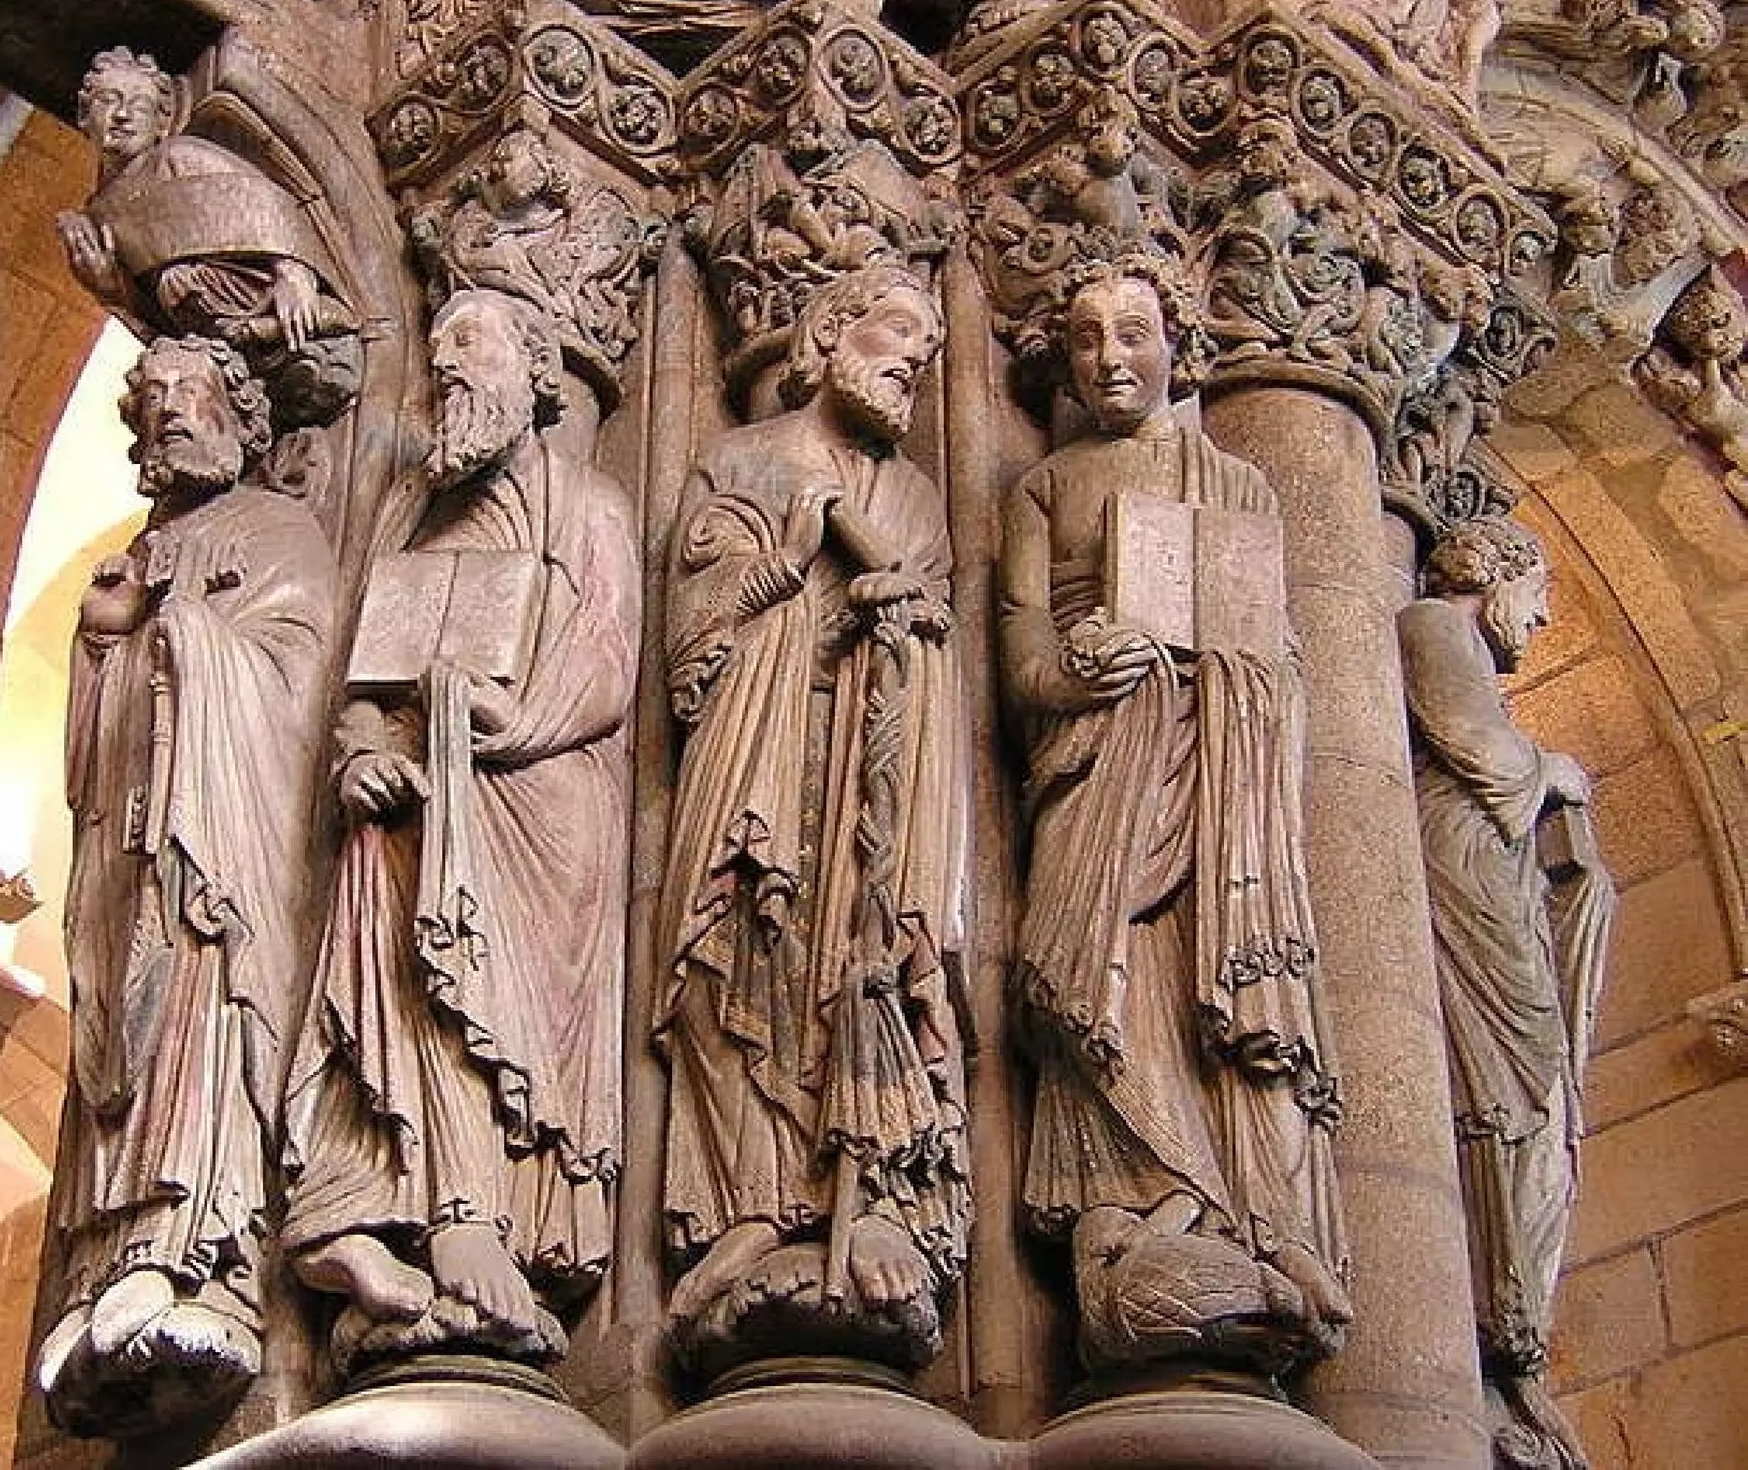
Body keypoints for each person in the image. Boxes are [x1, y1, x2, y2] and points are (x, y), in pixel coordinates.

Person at [998, 253, 1351, 1376]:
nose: (1110, 359)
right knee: (1093, 967)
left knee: (1224, 971)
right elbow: (1020, 649)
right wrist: (1074, 670)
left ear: (1175, 346)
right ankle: (1135, 1212)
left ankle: (1253, 1221)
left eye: (1133, 334)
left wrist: (1229, 684)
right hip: (1095, 761)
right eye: (1086, 338)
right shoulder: (1043, 487)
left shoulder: (1236, 481)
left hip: (1218, 775)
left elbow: (1277, 653)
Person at [281, 289, 640, 1368]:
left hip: (540, 795)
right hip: (419, 793)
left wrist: (513, 722)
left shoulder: (588, 507)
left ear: (537, 368)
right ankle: (441, 1209)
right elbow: (362, 686)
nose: (446, 365)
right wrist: (361, 756)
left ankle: (505, 1216)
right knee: (413, 975)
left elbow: (608, 656)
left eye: (469, 342)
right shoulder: (413, 517)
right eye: (435, 348)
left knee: (500, 992)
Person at [655, 265, 971, 1368]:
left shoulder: (914, 498)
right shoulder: (741, 460)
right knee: (737, 947)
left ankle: (864, 1189)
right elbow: (689, 627)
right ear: (830, 330)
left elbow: (933, 618)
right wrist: (787, 573)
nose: (913, 361)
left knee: (859, 958)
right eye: (897, 332)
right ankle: (746, 1201)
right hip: (757, 746)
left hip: (871, 759)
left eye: (929, 353)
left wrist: (897, 618)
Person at [39, 336, 336, 1432]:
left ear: (243, 415)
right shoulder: (142, 546)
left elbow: (296, 677)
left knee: (197, 1008)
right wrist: (101, 647)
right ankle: (110, 1252)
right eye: (151, 398)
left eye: (191, 394)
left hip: (217, 840)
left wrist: (185, 635)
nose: (168, 413)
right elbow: (94, 746)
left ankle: (197, 1245)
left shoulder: (276, 529)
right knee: (119, 1024)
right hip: (129, 845)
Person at [1400, 517, 1612, 1470]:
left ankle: (1507, 1321)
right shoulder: (1434, 625)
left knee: (1537, 1090)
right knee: (1506, 1081)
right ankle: (1494, 1308)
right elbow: (1481, 753)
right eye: (1540, 591)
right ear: (1500, 572)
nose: (1544, 615)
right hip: (1465, 863)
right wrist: (1552, 771)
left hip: (1496, 866)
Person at [57, 47, 360, 425]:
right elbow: (154, 320)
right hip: (213, 336)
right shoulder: (96, 215)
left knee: (179, 281)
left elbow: (265, 205)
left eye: (139, 105)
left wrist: (294, 273)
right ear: (85, 115)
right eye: (108, 101)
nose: (122, 115)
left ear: (162, 122)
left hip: (259, 294)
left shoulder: (180, 157)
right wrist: (111, 288)